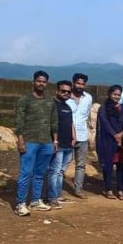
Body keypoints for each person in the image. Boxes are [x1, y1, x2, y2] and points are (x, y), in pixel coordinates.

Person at [12, 70, 58, 216]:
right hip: (29, 142)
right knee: (26, 172)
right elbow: (18, 122)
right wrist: (20, 141)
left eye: (44, 81)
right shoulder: (24, 100)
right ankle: (20, 203)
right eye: (39, 81)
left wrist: (55, 140)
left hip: (46, 142)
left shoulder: (50, 101)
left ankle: (36, 200)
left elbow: (54, 122)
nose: (41, 83)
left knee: (40, 173)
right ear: (33, 82)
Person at [46, 80, 76, 209]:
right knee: (54, 171)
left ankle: (57, 195)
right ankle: (51, 198)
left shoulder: (67, 106)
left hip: (68, 144)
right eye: (63, 91)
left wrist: (74, 137)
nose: (66, 94)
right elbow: (50, 125)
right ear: (57, 91)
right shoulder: (52, 105)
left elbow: (71, 123)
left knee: (61, 171)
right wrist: (54, 141)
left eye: (68, 92)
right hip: (58, 145)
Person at [97, 85, 123, 200]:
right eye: (114, 94)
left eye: (119, 95)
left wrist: (122, 134)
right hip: (108, 141)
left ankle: (120, 189)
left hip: (121, 141)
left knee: (121, 166)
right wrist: (115, 135)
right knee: (108, 166)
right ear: (110, 94)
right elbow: (104, 123)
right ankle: (108, 189)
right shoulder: (104, 108)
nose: (116, 97)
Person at [66, 72, 92, 199]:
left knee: (81, 165)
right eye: (78, 83)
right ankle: (55, 190)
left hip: (82, 135)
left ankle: (78, 190)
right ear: (73, 82)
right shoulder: (66, 97)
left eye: (82, 84)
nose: (80, 86)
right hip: (66, 136)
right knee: (62, 164)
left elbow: (86, 115)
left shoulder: (88, 98)